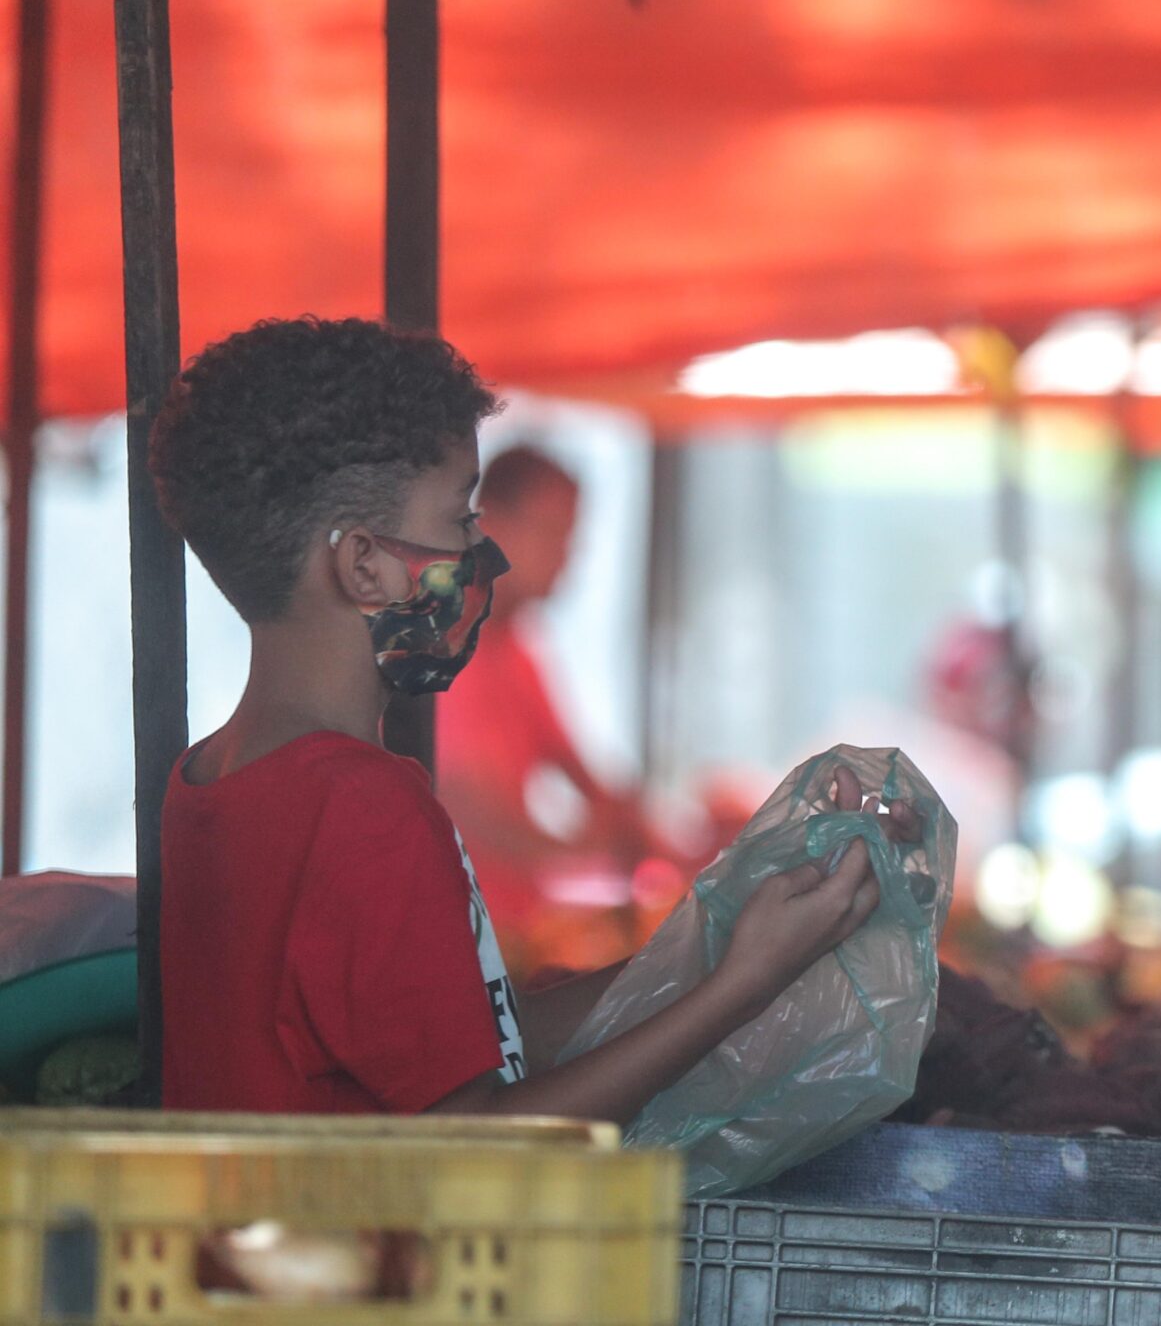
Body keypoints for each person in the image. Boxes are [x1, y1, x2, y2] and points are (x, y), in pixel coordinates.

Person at [148, 317, 902, 1117]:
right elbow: (479, 1143)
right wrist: (742, 988)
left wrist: (723, 934)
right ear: (363, 565)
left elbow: (487, 1041)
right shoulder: (364, 809)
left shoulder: (208, 780)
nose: (480, 555)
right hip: (377, 1247)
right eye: (458, 521)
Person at [438, 445, 657, 977]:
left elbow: (579, 770)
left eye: (572, 538)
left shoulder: (516, 647)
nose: (567, 556)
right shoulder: (439, 642)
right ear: (490, 524)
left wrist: (650, 835)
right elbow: (467, 808)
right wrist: (585, 849)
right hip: (460, 943)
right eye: (554, 533)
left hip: (518, 932)